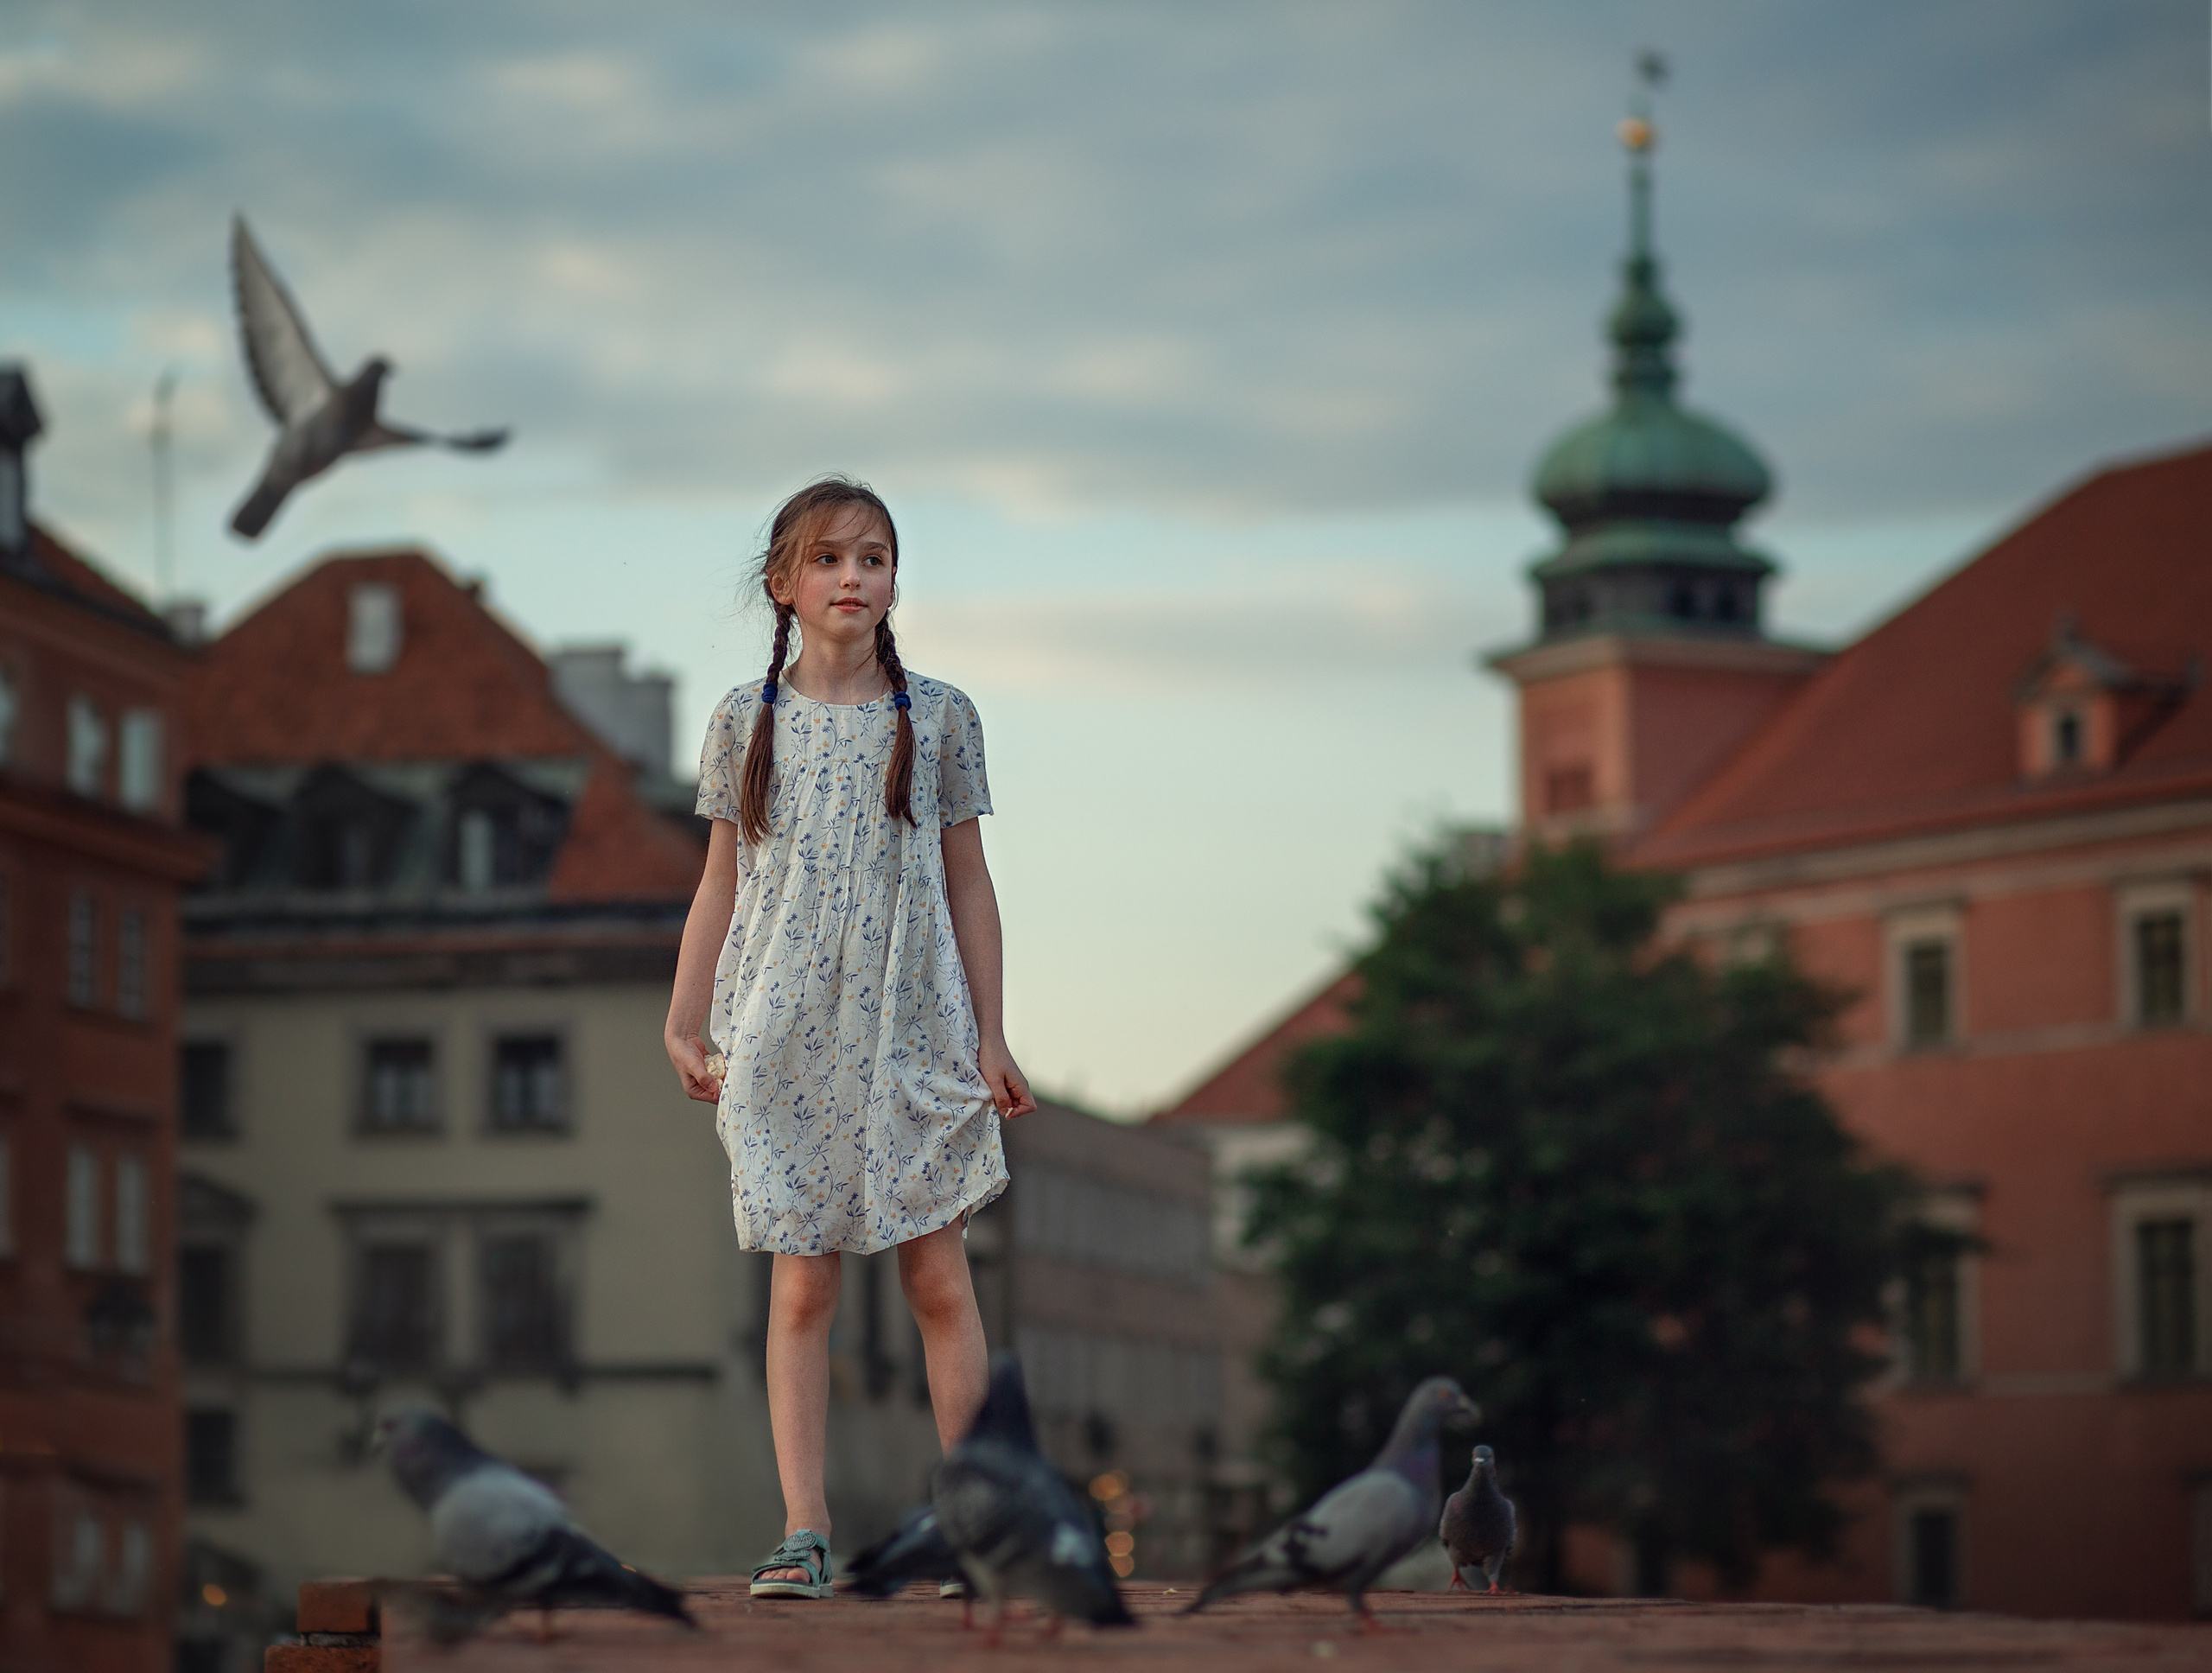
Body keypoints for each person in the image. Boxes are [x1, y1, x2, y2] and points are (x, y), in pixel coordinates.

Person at [664, 476, 1037, 1600]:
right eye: (828, 559)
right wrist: (685, 1018)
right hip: (785, 1031)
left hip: (915, 1025)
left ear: (893, 582)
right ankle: (805, 1529)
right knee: (801, 1290)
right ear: (784, 584)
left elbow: (972, 885)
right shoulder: (745, 719)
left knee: (937, 1276)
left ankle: (980, 1529)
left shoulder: (943, 717)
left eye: (872, 558)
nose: (852, 578)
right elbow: (717, 887)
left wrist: (993, 1035)